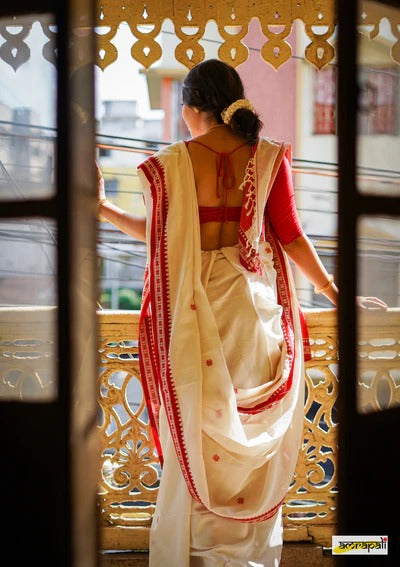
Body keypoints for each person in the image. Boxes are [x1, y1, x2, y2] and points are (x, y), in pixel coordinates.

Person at [96, 59, 387, 567]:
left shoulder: (170, 165)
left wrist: (102, 209)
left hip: (192, 317)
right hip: (252, 322)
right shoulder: (268, 157)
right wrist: (340, 295)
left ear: (190, 107)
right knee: (251, 453)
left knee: (197, 443)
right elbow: (292, 237)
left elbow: (163, 241)